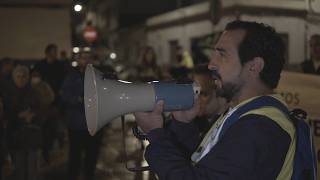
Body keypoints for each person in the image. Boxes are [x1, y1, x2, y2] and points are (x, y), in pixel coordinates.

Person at [134, 20, 296, 179]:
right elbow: (201, 166)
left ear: (254, 66)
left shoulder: (259, 127)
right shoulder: (242, 114)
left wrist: (155, 134)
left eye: (222, 54)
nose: (211, 64)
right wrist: (183, 125)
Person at [61, 51, 103, 180]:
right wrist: (78, 99)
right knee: (75, 155)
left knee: (92, 155)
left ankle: (89, 175)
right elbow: (65, 95)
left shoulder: (98, 76)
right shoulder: (71, 77)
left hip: (94, 123)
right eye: (83, 58)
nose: (86, 61)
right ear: (78, 61)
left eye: (88, 58)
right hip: (77, 123)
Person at [191, 64, 227, 136]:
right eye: (194, 93)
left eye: (203, 94)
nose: (196, 99)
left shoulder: (230, 126)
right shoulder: (191, 123)